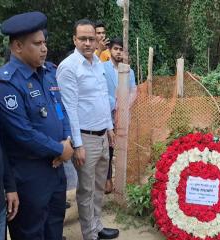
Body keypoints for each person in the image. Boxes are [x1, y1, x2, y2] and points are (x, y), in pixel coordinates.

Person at [0, 11, 73, 239]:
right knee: (31, 233)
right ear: (18, 47)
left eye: (45, 43)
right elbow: (23, 133)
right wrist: (60, 149)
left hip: (56, 170)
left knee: (54, 228)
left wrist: (68, 139)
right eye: (37, 43)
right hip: (30, 175)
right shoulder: (7, 83)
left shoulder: (48, 73)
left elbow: (61, 110)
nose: (44, 48)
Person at [57, 19, 119, 240]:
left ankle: (98, 225)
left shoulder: (97, 64)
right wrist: (78, 144)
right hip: (85, 138)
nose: (87, 43)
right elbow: (70, 109)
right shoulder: (68, 67)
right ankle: (89, 234)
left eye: (91, 38)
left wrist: (110, 128)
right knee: (85, 190)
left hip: (102, 135)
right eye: (82, 38)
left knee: (99, 186)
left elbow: (103, 99)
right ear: (74, 39)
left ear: (97, 40)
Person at [103, 37, 137, 194]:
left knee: (124, 146)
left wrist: (124, 106)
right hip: (108, 115)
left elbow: (133, 91)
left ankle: (123, 179)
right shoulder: (102, 68)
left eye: (121, 49)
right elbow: (100, 91)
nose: (118, 52)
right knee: (108, 148)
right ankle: (108, 179)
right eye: (116, 49)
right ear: (110, 50)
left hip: (124, 115)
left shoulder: (129, 71)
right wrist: (114, 104)